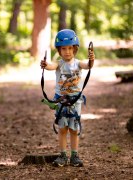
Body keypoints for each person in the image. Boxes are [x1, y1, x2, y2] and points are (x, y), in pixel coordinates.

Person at [40, 29, 95, 167]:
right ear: (59, 50)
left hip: (75, 101)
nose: (67, 51)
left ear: (75, 49)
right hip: (61, 100)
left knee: (74, 129)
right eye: (63, 49)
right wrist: (45, 65)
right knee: (62, 128)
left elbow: (88, 66)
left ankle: (75, 155)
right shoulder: (59, 63)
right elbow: (51, 66)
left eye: (70, 48)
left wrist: (91, 60)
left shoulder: (78, 63)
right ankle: (63, 155)